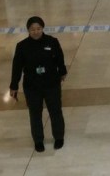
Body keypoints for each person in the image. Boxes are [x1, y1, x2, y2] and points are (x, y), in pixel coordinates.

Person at [9, 16, 67, 153]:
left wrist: (62, 71)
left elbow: (60, 58)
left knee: (55, 111)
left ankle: (59, 137)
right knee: (35, 114)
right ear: (28, 30)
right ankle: (38, 140)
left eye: (38, 29)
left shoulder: (52, 42)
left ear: (43, 28)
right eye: (33, 29)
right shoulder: (22, 46)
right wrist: (14, 85)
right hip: (32, 86)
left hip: (51, 83)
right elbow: (16, 67)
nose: (36, 32)